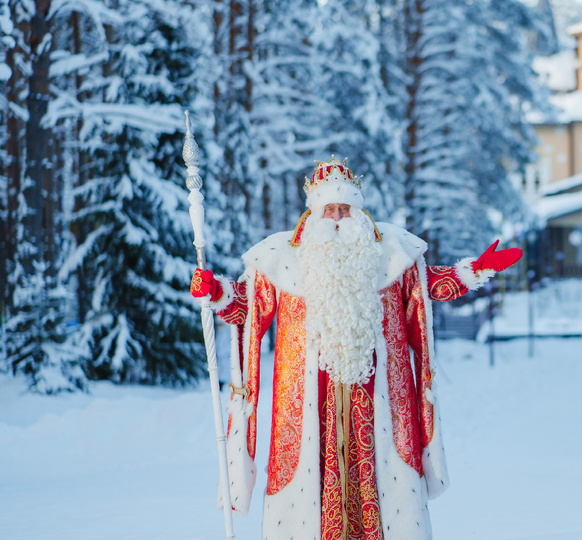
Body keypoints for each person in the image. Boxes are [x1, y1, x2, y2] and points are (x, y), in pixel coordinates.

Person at [189, 157, 520, 540]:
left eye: (345, 208)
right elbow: (247, 307)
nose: (337, 216)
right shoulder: (280, 258)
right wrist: (215, 291)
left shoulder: (392, 253)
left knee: (384, 484)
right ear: (314, 212)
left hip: (380, 403)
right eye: (329, 208)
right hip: (306, 405)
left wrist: (473, 271)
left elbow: (426, 289)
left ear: (359, 210)